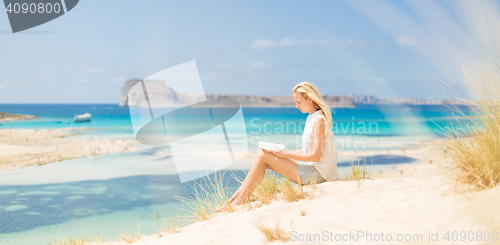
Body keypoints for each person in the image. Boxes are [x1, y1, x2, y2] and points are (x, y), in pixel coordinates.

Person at [215, 82, 339, 211]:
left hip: (317, 176)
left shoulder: (318, 121)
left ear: (310, 99)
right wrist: (282, 153)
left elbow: (316, 156)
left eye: (299, 102)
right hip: (316, 171)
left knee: (263, 156)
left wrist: (285, 155)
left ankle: (239, 200)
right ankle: (235, 199)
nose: (296, 106)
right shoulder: (312, 118)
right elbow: (309, 150)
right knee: (265, 157)